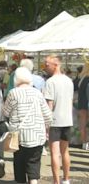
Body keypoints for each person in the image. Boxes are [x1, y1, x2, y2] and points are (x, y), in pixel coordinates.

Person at [3, 67, 52, 184]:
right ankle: (33, 181)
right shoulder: (37, 93)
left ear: (16, 79)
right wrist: (47, 129)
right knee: (34, 163)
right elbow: (48, 115)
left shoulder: (13, 93)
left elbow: (5, 112)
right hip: (36, 134)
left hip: (18, 136)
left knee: (19, 163)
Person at [43, 55, 74, 184]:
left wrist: (46, 125)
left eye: (47, 64)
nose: (45, 67)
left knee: (55, 153)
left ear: (55, 65)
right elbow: (71, 101)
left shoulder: (50, 82)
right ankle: (66, 179)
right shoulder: (69, 81)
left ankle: (56, 181)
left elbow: (49, 105)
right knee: (65, 151)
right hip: (67, 120)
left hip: (55, 121)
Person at [77, 63, 89, 150]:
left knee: (82, 124)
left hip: (81, 104)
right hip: (87, 103)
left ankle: (84, 143)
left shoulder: (82, 79)